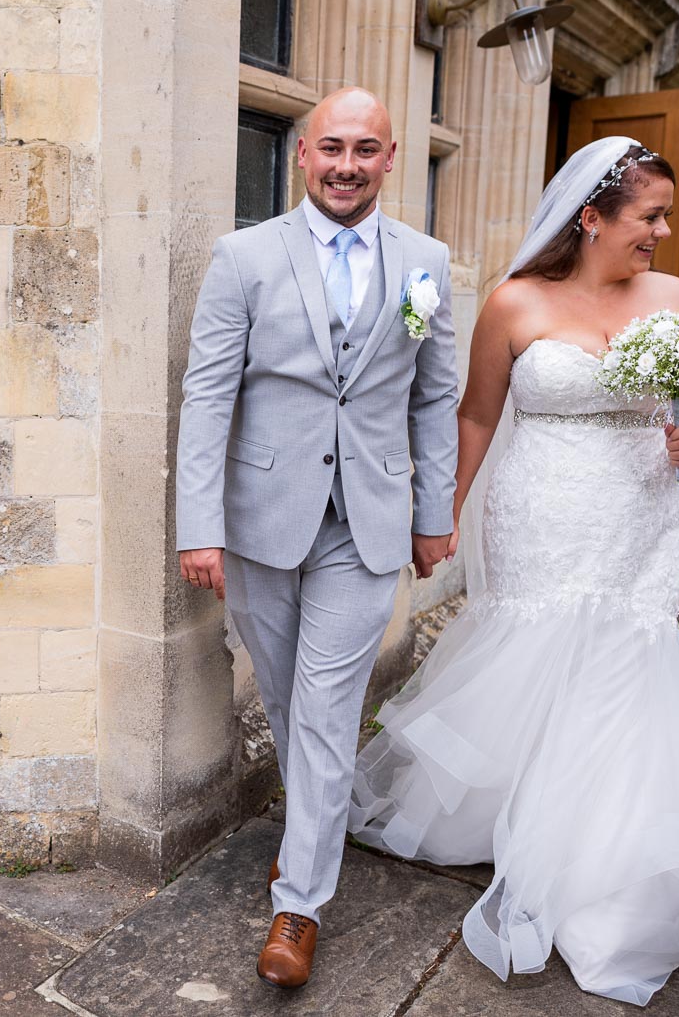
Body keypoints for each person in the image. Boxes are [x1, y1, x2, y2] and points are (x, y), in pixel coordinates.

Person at [348, 136, 679, 1005]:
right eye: (648, 216)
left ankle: (594, 845)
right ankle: (516, 808)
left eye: (664, 216)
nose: (662, 232)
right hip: (540, 507)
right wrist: (436, 516)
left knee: (622, 661)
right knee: (534, 652)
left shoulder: (675, 298)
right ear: (592, 216)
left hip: (639, 511)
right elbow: (475, 417)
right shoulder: (515, 303)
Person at [175, 87, 460, 988]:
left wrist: (433, 512)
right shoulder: (244, 256)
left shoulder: (427, 264)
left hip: (366, 524)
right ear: (304, 154)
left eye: (366, 149)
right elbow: (208, 395)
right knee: (291, 703)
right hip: (263, 522)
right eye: (332, 146)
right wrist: (199, 526)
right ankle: (307, 838)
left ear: (389, 157)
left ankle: (298, 904)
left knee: (330, 709)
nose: (347, 164)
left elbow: (434, 396)